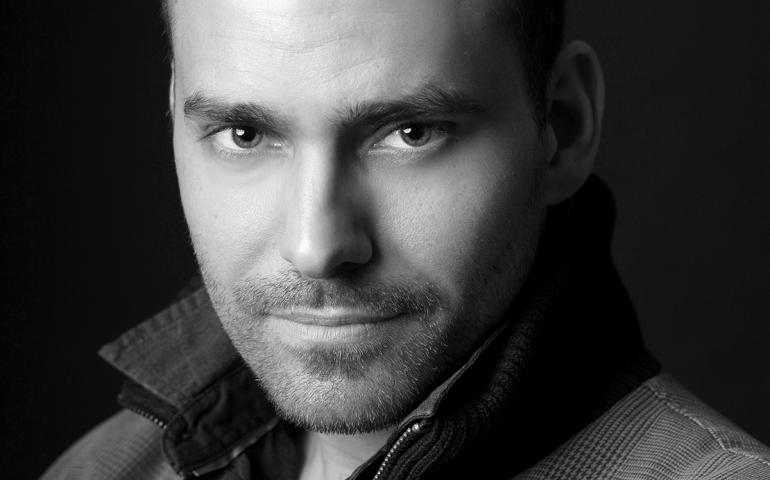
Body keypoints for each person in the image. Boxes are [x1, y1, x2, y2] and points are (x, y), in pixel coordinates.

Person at [42, 0, 770, 479]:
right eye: (244, 133)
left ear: (563, 128)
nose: (317, 246)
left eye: (412, 133)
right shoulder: (101, 470)